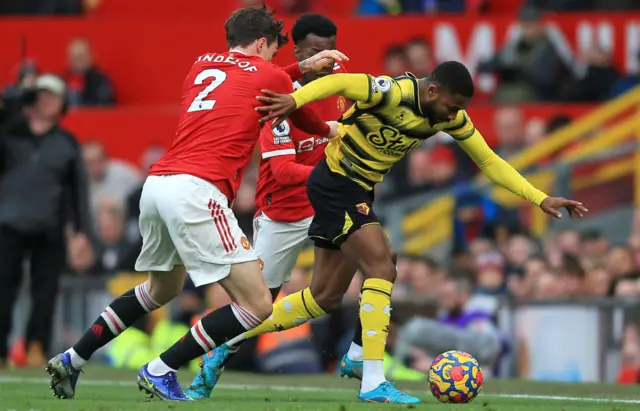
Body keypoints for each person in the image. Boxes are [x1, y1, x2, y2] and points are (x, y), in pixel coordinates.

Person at [210, 61, 588, 404]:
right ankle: (370, 375)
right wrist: (294, 100)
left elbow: (488, 159)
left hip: (357, 190)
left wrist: (539, 198)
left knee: (325, 296)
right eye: (453, 106)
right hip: (335, 183)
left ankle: (231, 339)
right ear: (433, 91)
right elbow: (342, 81)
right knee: (383, 266)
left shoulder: (448, 118)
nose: (456, 115)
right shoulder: (392, 92)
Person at [46, 6, 347, 401]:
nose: (276, 60)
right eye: (273, 51)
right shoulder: (268, 74)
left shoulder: (201, 64)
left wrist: (298, 68)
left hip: (157, 185)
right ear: (261, 43)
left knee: (159, 289)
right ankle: (161, 368)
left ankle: (72, 358)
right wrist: (330, 128)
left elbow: (266, 78)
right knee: (258, 304)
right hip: (197, 191)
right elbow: (293, 106)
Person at [185, 13, 361, 399]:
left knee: (379, 262)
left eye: (331, 51)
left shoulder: (344, 86)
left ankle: (361, 356)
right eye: (317, 52)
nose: (327, 60)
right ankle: (216, 354)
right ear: (299, 52)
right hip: (284, 211)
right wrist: (335, 175)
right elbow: (281, 171)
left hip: (327, 202)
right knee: (258, 305)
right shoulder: (276, 97)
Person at [0, 74, 91, 368]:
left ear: (63, 102)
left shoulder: (66, 143)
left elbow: (78, 190)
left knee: (46, 293)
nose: (47, 100)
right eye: (41, 94)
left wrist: (79, 232)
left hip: (49, 227)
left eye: (53, 95)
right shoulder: (10, 133)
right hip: (8, 225)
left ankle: (35, 346)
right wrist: (16, 97)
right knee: (3, 288)